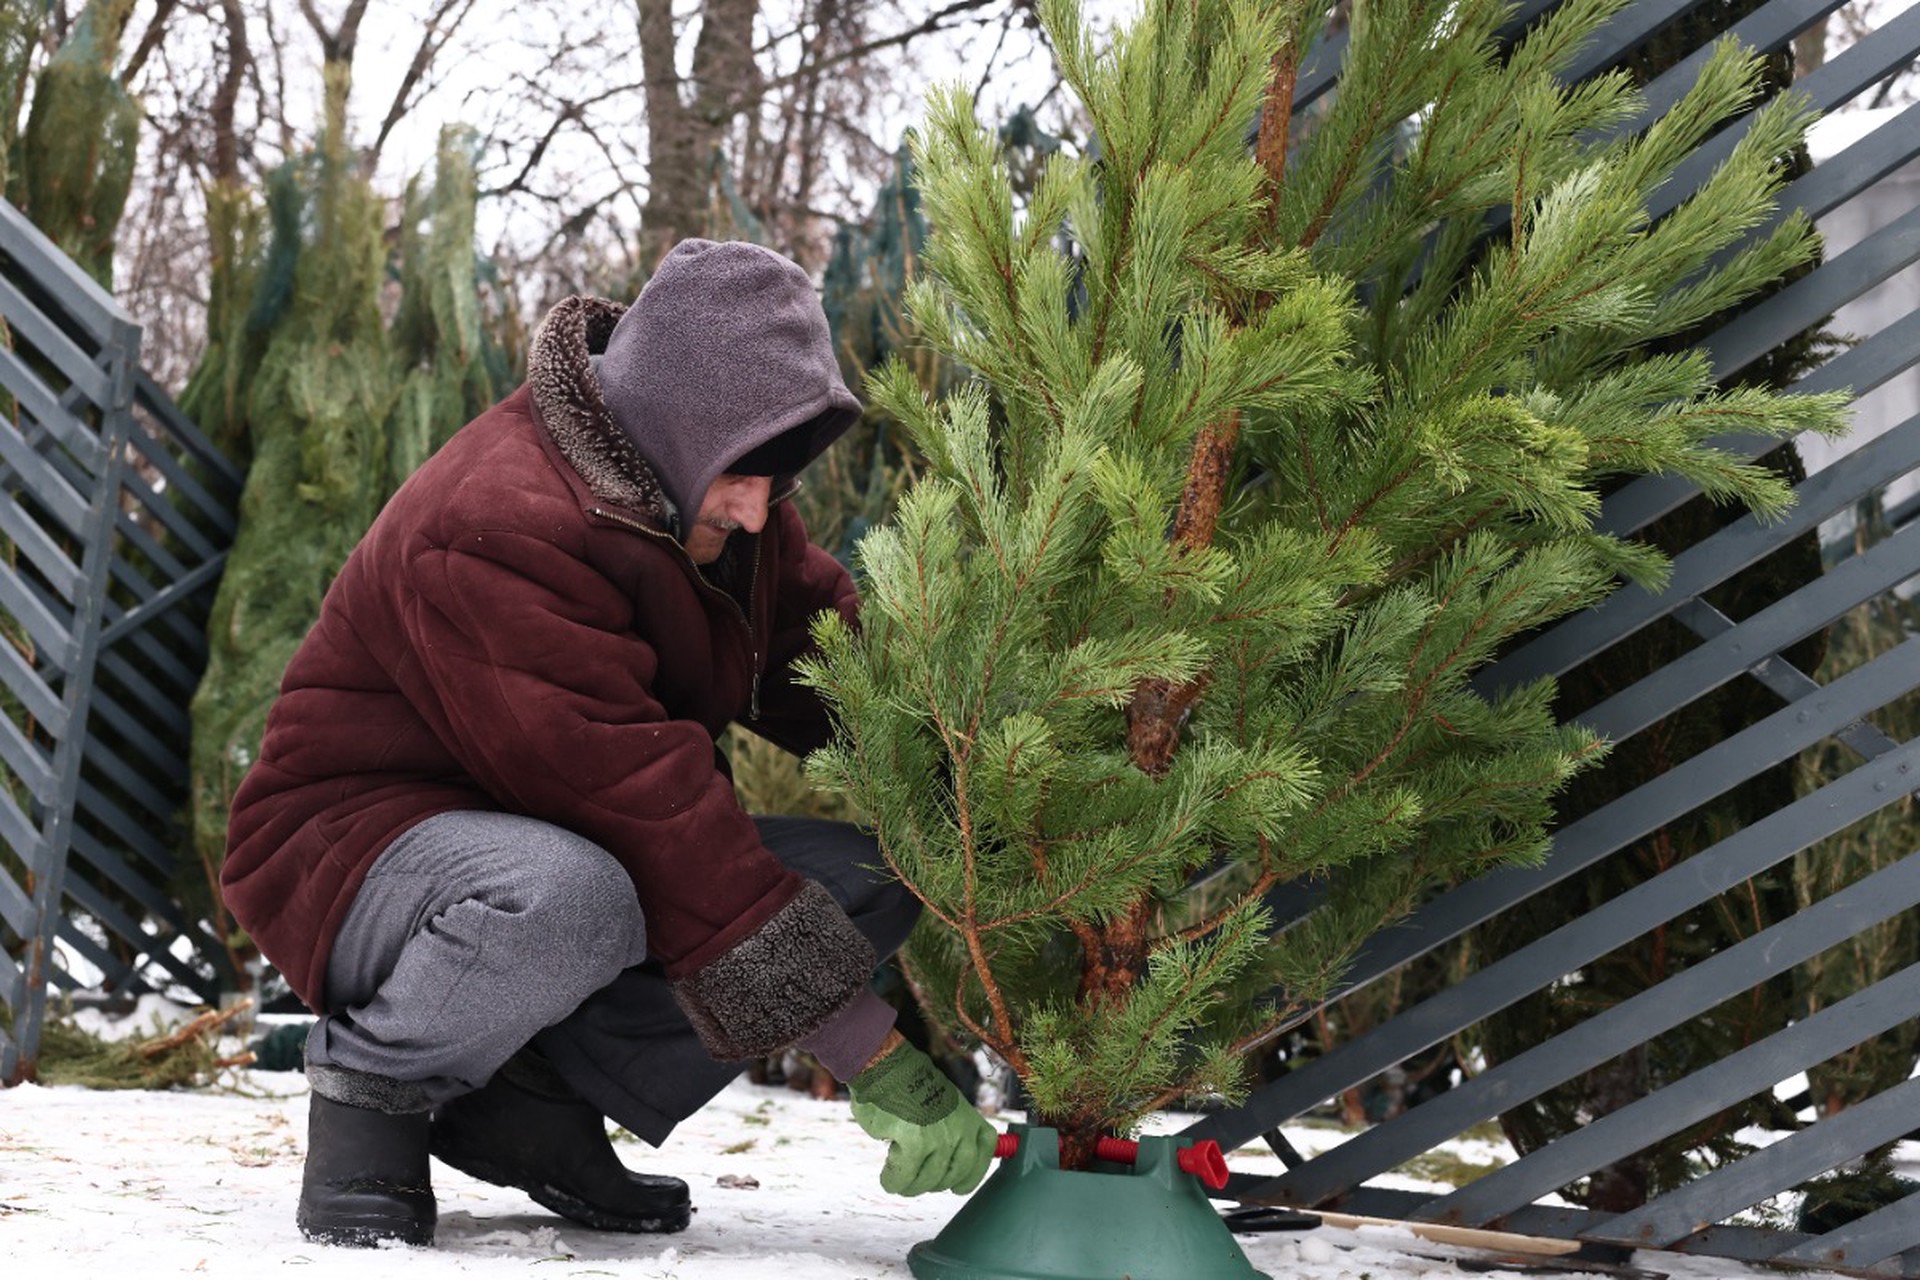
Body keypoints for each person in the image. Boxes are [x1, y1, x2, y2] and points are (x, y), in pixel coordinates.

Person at [221, 238, 998, 1248]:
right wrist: (866, 1046)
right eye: (742, 469)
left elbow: (843, 677)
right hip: (356, 848)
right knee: (574, 896)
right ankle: (372, 1096)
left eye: (777, 472)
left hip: (556, 831)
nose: (757, 506)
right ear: (674, 425)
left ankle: (532, 1107)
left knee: (864, 880)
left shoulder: (719, 510)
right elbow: (636, 797)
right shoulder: (496, 521)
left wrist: (1000, 790)